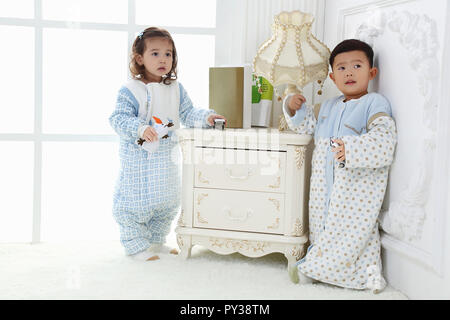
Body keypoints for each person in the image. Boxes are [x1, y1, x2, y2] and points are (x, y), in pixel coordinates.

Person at [284, 39, 397, 293]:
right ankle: (319, 265)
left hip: (353, 191)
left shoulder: (374, 103)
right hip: (323, 189)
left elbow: (385, 140)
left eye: (357, 65)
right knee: (323, 230)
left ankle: (355, 274)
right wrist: (294, 110)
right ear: (333, 77)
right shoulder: (328, 107)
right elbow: (306, 128)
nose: (349, 72)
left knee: (354, 234)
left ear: (372, 72)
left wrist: (352, 150)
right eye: (342, 68)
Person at [109, 27, 225, 261]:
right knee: (135, 202)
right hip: (139, 159)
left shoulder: (176, 89)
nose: (163, 59)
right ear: (139, 58)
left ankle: (155, 241)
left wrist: (206, 118)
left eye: (168, 54)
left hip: (165, 157)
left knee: (166, 201)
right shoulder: (131, 90)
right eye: (155, 54)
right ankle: (135, 246)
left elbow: (188, 113)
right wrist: (140, 128)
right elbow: (118, 118)